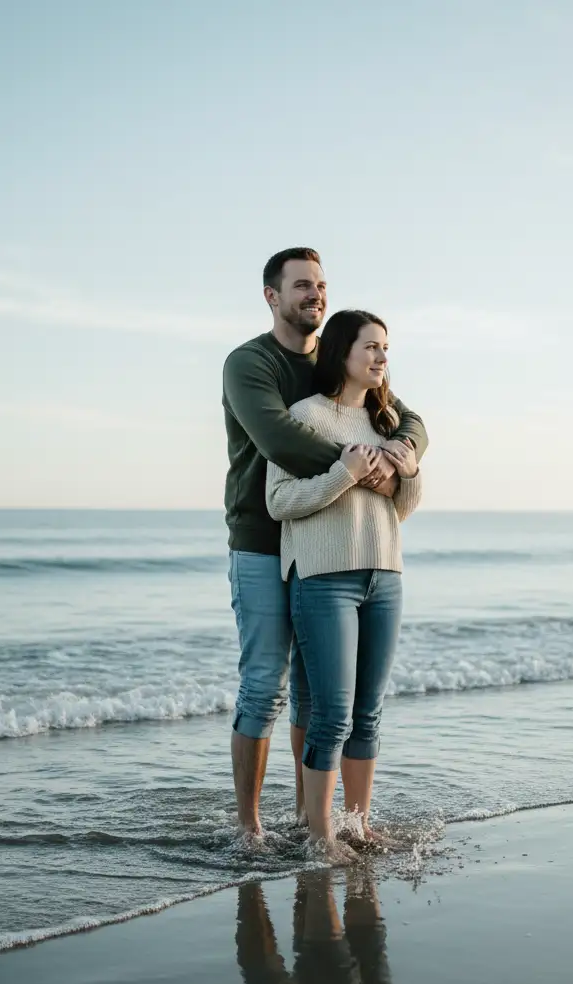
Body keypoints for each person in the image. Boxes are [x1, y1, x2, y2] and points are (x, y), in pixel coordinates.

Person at [222, 249, 428, 840]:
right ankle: (250, 828)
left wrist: (401, 460)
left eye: (321, 285)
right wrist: (360, 468)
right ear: (272, 296)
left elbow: (409, 422)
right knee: (266, 684)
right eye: (301, 286)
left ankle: (308, 818)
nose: (315, 294)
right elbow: (281, 439)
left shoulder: (338, 363)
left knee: (316, 696)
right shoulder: (250, 364)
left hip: (333, 546)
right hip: (263, 542)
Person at [265, 309, 422, 859]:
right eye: (371, 347)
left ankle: (358, 824)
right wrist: (344, 475)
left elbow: (405, 507)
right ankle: (321, 834)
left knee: (367, 714)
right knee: (330, 713)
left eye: (385, 348)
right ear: (342, 352)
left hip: (385, 575)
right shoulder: (303, 417)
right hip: (323, 580)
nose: (381, 357)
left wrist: (402, 473)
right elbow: (279, 501)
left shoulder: (387, 425)